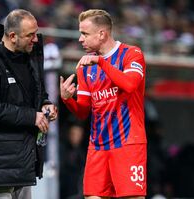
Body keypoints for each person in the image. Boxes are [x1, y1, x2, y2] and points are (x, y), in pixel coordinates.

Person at [0, 9, 57, 199]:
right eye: (30, 35)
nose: (36, 40)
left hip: (23, 158)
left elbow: (35, 94)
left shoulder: (28, 57)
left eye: (36, 33)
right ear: (12, 36)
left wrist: (45, 104)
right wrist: (32, 116)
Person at [60, 9, 147, 199]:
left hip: (128, 143)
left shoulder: (132, 54)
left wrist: (101, 62)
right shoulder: (85, 67)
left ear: (102, 34)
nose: (80, 39)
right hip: (97, 146)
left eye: (84, 34)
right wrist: (67, 99)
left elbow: (130, 84)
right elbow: (83, 112)